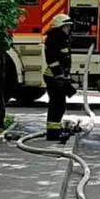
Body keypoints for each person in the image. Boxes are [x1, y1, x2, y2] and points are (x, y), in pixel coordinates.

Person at [43, 13, 76, 141]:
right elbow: (52, 61)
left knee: (59, 105)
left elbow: (65, 60)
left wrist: (66, 77)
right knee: (56, 105)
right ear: (60, 27)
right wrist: (60, 76)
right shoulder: (53, 40)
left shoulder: (62, 39)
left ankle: (54, 131)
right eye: (66, 26)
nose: (68, 29)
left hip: (59, 77)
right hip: (54, 77)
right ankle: (52, 134)